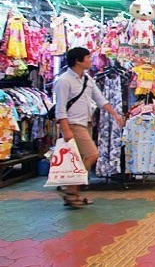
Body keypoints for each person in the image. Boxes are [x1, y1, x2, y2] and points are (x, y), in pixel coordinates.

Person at [54, 47, 124, 208]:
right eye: (87, 58)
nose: (90, 61)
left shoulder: (86, 79)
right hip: (73, 125)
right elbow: (60, 108)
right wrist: (66, 130)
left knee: (78, 159)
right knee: (92, 155)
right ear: (78, 61)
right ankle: (71, 190)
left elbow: (100, 99)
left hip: (85, 123)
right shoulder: (64, 81)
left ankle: (73, 193)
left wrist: (115, 115)